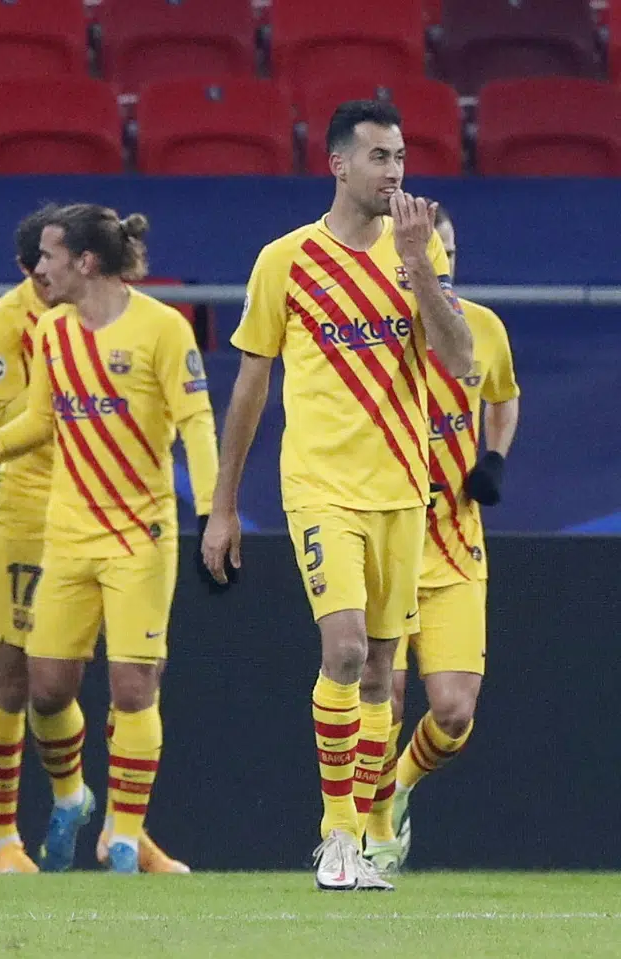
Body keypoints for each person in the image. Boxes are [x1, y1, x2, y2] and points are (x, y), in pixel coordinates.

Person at [201, 100, 474, 892]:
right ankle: (338, 837)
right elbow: (250, 387)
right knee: (347, 649)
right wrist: (222, 506)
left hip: (401, 487)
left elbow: (458, 360)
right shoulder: (285, 260)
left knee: (385, 671)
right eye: (380, 157)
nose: (395, 172)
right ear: (339, 165)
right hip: (320, 486)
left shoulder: (414, 252)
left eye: (401, 157)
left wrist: (422, 268)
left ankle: (372, 828)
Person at [0, 203, 220, 875]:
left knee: (133, 684)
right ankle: (83, 806)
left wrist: (212, 512)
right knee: (49, 688)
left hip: (139, 534)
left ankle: (123, 833)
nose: (39, 268)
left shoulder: (163, 330)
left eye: (50, 256)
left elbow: (197, 422)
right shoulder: (52, 331)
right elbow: (40, 418)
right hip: (67, 535)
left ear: (85, 262)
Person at [364, 204, 520, 874]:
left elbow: (504, 393)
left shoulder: (481, 326)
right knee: (385, 696)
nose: (439, 258)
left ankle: (396, 786)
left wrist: (494, 458)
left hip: (456, 544)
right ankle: (367, 827)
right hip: (388, 539)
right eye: (427, 246)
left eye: (446, 245)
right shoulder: (374, 333)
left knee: (453, 713)